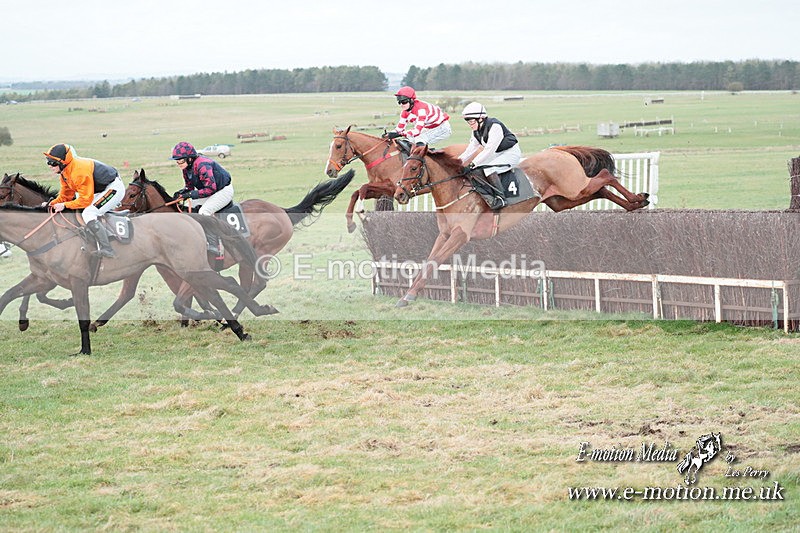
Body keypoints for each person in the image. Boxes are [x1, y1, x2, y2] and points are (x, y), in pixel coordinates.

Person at [44, 143, 125, 258]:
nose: (49, 165)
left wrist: (64, 206)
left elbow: (85, 201)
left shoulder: (78, 171)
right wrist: (50, 204)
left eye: (52, 162)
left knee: (89, 212)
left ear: (63, 162)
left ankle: (107, 248)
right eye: (47, 161)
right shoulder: (64, 173)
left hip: (113, 188)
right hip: (99, 190)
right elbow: (65, 196)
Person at [457, 102, 522, 210]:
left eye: (471, 120)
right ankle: (488, 196)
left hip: (511, 153)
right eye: (467, 121)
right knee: (475, 170)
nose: (470, 124)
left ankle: (501, 198)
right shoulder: (476, 131)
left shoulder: (494, 126)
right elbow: (470, 149)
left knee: (489, 169)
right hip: (498, 154)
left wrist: (473, 163)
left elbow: (489, 150)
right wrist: (457, 162)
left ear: (481, 118)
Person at [169, 141, 234, 216]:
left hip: (223, 191)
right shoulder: (186, 168)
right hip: (210, 191)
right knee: (186, 208)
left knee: (203, 212)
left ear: (190, 159)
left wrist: (189, 194)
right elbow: (189, 187)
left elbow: (210, 189)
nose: (179, 164)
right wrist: (180, 193)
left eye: (181, 161)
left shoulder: (202, 165)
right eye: (177, 161)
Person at [385, 86, 452, 146]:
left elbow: (417, 131)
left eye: (404, 102)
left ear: (411, 100)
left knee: (419, 139)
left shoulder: (421, 110)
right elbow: (399, 129)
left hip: (442, 128)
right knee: (409, 139)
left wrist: (400, 134)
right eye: (399, 102)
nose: (401, 104)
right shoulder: (405, 112)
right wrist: (389, 134)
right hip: (429, 127)